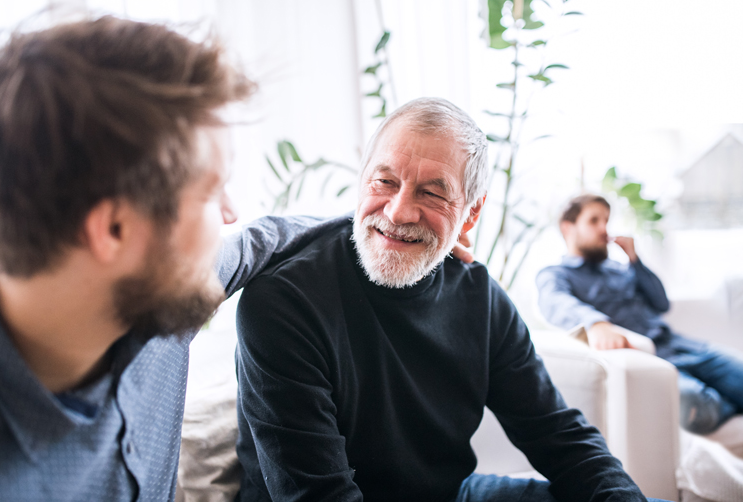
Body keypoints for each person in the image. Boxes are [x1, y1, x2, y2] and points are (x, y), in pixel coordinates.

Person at [0, 16, 375, 500]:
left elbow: (263, 238)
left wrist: (399, 231)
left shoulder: (145, 280)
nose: (230, 212)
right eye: (212, 192)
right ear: (113, 230)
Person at [234, 98, 662, 502]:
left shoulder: (479, 296)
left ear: (471, 213)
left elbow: (557, 434)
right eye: (385, 181)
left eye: (432, 192)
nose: (399, 212)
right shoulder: (283, 301)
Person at [537, 194, 743, 435]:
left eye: (606, 220)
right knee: (696, 408)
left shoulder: (621, 268)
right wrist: (596, 323)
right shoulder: (556, 274)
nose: (604, 229)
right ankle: (727, 400)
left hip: (682, 346)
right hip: (648, 358)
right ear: (568, 228)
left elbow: (661, 302)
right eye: (594, 221)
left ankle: (725, 399)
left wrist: (634, 259)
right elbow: (554, 302)